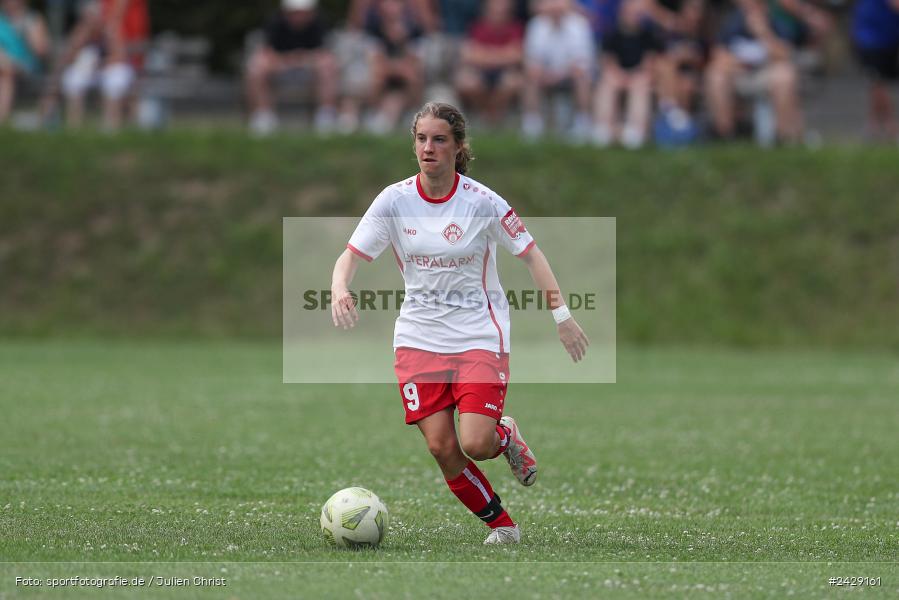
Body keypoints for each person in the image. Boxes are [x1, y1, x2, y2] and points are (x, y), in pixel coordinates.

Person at [331, 102, 589, 545]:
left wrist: (562, 316)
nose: (428, 148)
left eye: (439, 140)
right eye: (421, 139)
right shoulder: (394, 200)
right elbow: (350, 257)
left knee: (475, 442)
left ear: (458, 147)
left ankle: (504, 435)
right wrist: (340, 287)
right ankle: (502, 527)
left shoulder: (483, 202)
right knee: (441, 448)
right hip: (418, 337)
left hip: (478, 335)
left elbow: (532, 256)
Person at [704, 0, 803, 143]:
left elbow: (785, 55)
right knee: (715, 76)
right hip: (737, 74)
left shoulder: (776, 23)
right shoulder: (733, 23)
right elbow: (717, 55)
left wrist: (763, 33)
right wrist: (741, 63)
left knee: (785, 75)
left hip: (766, 74)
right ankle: (725, 135)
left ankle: (783, 137)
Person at [44, 0, 149, 129]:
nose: (90, 20)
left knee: (114, 80)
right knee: (73, 79)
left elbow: (119, 55)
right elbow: (68, 56)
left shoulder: (111, 28)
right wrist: (79, 42)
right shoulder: (84, 30)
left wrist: (100, 64)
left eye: (92, 16)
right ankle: (74, 127)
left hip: (111, 67)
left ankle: (110, 127)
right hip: (91, 71)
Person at [245, 0, 339, 136]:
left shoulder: (319, 24)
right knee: (257, 66)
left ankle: (325, 116)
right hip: (280, 69)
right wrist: (289, 60)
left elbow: (323, 53)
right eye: (295, 13)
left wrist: (301, 60)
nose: (299, 16)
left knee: (327, 65)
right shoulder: (275, 23)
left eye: (303, 12)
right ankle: (263, 116)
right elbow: (267, 52)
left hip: (310, 70)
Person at [593, 0, 663, 148]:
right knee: (607, 83)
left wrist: (633, 77)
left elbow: (649, 63)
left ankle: (635, 129)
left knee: (640, 84)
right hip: (618, 75)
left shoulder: (648, 35)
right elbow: (608, 62)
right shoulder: (612, 34)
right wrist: (620, 76)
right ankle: (603, 127)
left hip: (640, 76)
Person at [522, 0, 596, 140]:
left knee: (583, 77)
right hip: (545, 75)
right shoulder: (536, 25)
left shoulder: (580, 25)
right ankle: (533, 125)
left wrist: (559, 75)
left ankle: (582, 123)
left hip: (569, 75)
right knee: (530, 76)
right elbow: (532, 60)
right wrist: (544, 74)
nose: (555, 7)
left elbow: (582, 63)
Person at [454, 0, 525, 125]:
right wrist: (502, 54)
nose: (498, 13)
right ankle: (486, 113)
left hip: (505, 71)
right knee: (466, 82)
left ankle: (492, 114)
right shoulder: (477, 27)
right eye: (495, 10)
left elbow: (517, 55)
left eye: (502, 11)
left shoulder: (515, 27)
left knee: (513, 82)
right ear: (487, 11)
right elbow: (468, 55)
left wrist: (485, 54)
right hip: (481, 71)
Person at [852, 0, 899, 141]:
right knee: (877, 82)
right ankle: (888, 125)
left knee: (877, 83)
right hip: (872, 38)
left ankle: (874, 125)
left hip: (887, 38)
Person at [0, 0, 48, 123]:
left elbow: (41, 51)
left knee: (6, 71)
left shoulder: (31, 19)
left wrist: (28, 34)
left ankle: (2, 119)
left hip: (25, 66)